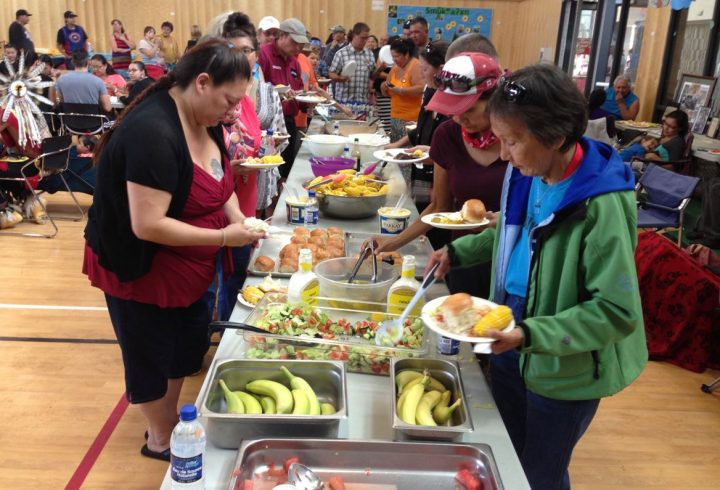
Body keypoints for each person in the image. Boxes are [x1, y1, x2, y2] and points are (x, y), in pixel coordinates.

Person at [427, 64, 647, 490]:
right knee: (507, 454)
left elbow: (617, 312)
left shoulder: (601, 203)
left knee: (539, 474)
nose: (504, 155)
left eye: (512, 142)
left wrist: (530, 333)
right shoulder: (530, 174)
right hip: (513, 328)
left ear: (557, 137)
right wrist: (457, 250)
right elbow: (515, 232)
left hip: (566, 363)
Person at [83, 40, 266, 461]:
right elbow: (147, 224)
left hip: (187, 264)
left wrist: (239, 221)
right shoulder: (153, 132)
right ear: (202, 83)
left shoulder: (207, 121)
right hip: (141, 266)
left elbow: (220, 188)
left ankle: (174, 421)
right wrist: (224, 239)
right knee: (149, 351)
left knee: (184, 346)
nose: (234, 111)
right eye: (229, 100)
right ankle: (160, 437)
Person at [373, 52, 508, 299]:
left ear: (495, 99)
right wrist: (392, 243)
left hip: (510, 260)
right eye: (452, 109)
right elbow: (439, 206)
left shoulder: (518, 141)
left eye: (467, 108)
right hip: (462, 256)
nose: (458, 117)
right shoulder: (447, 136)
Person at [204, 12, 266, 321]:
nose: (239, 58)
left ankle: (228, 329)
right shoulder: (210, 107)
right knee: (214, 282)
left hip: (244, 203)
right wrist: (232, 168)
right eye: (232, 50)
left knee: (237, 277)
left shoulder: (246, 103)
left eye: (246, 51)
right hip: (214, 210)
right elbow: (206, 161)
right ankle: (213, 335)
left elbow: (253, 143)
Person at [385, 40, 450, 241]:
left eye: (424, 69)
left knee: (436, 225)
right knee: (420, 212)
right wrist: (396, 146)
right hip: (421, 170)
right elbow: (420, 129)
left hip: (440, 175)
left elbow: (450, 148)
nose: (421, 74)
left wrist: (434, 153)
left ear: (441, 69)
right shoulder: (430, 91)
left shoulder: (452, 101)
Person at [258, 18, 308, 178]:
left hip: (289, 123)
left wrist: (307, 102)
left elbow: (299, 91)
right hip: (269, 126)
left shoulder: (295, 62)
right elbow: (256, 89)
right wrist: (276, 93)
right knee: (270, 172)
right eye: (295, 42)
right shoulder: (264, 54)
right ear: (281, 35)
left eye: (301, 44)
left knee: (286, 169)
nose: (298, 47)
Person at [381, 38, 423, 142]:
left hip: (411, 120)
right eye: (393, 57)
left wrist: (400, 91)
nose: (394, 60)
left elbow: (421, 88)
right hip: (395, 117)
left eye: (397, 56)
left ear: (407, 54)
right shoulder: (395, 67)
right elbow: (388, 91)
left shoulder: (416, 65)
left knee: (406, 153)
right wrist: (384, 87)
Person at [329, 22, 375, 112]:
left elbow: (372, 73)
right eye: (363, 38)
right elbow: (331, 73)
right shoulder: (341, 53)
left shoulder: (369, 54)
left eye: (367, 38)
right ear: (354, 35)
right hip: (344, 103)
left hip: (362, 103)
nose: (365, 41)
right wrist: (340, 78)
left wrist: (372, 80)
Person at [55, 49, 112, 113]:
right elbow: (108, 108)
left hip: (69, 121)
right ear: (88, 62)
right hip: (93, 121)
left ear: (72, 62)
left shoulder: (61, 80)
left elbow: (62, 102)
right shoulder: (98, 81)